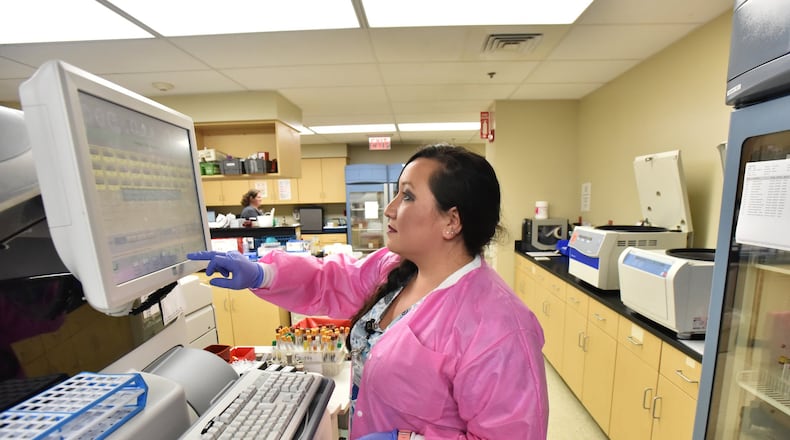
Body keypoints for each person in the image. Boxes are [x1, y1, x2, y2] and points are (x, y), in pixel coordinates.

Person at [189, 144, 549, 439]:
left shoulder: (500, 328)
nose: (390, 209)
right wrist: (261, 273)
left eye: (407, 197)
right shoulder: (395, 267)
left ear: (451, 222)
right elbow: (329, 281)